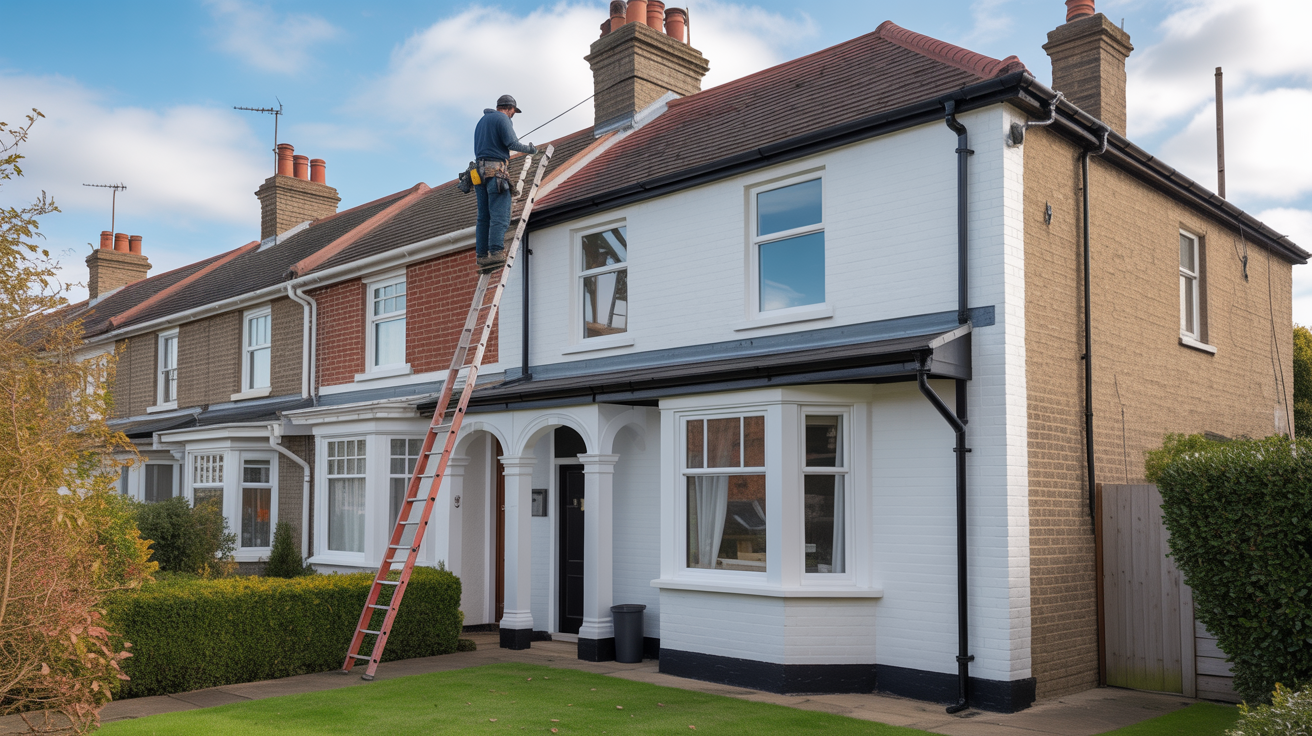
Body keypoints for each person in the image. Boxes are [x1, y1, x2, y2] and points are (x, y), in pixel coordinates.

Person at [473, 94, 537, 272]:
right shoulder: (503, 118)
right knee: (500, 215)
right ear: (509, 109)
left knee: (483, 217)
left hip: (479, 174)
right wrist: (530, 150)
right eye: (513, 112)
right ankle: (495, 252)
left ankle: (482, 255)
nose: (512, 115)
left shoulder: (482, 121)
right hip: (496, 174)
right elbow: (512, 143)